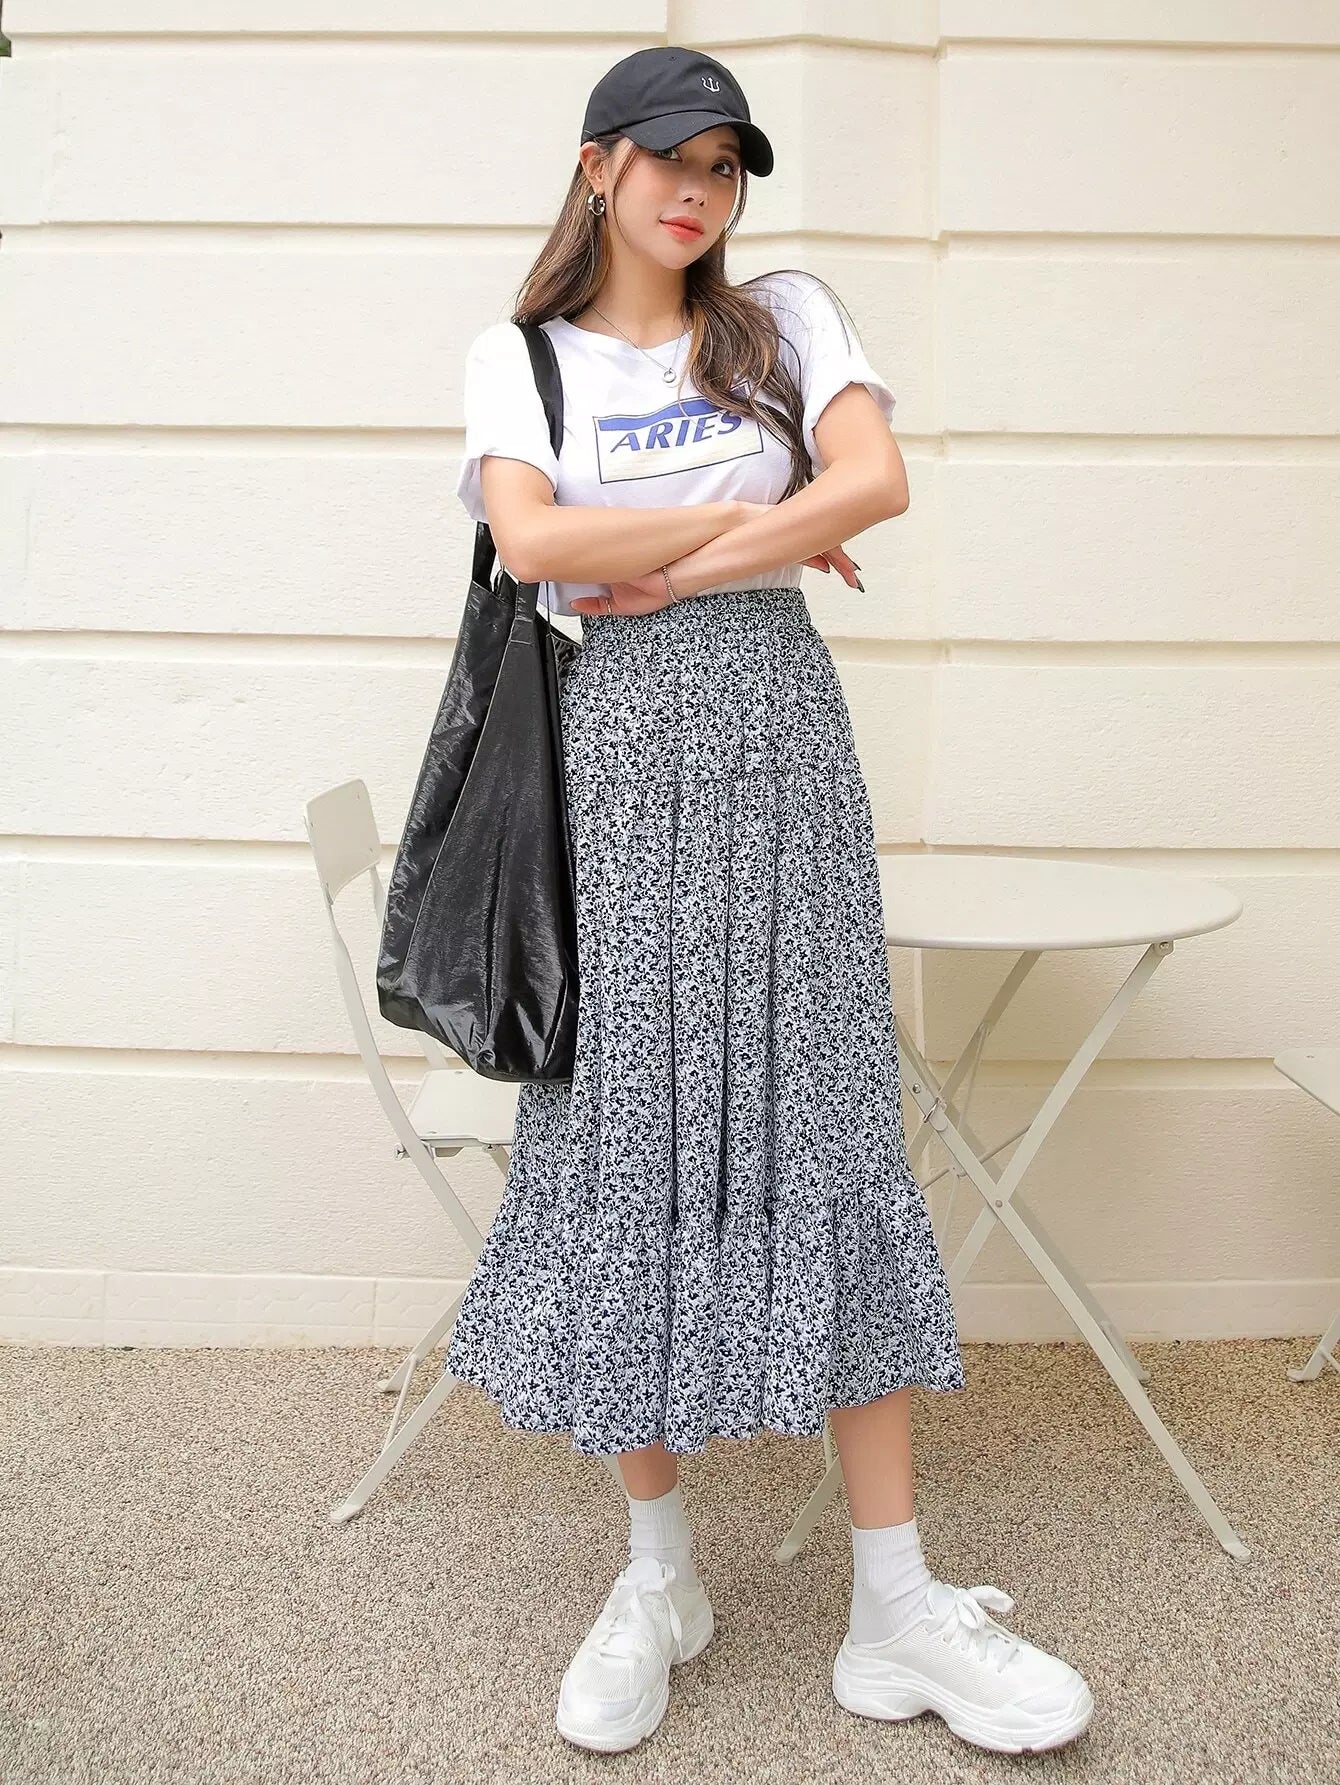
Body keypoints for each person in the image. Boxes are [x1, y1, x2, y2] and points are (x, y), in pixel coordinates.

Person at [444, 43, 1095, 1761]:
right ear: (599, 166)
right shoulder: (526, 358)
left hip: (784, 750)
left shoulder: (787, 318)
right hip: (618, 775)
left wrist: (680, 553)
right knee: (629, 1139)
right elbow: (532, 545)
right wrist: (768, 515)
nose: (700, 191)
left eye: (725, 166)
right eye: (672, 157)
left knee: (825, 1119)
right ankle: (660, 1575)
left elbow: (871, 485)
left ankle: (897, 1602)